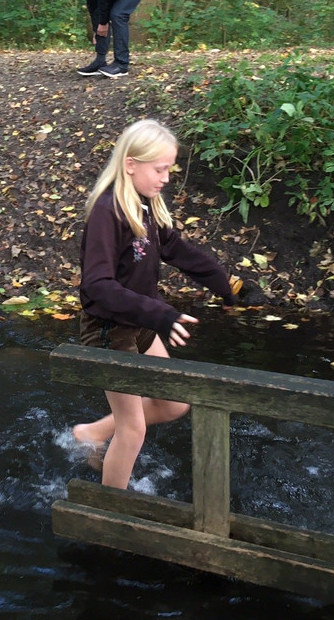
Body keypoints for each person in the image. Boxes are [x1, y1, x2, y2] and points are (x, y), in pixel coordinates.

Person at [71, 119, 237, 489]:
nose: (165, 178)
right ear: (131, 163)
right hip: (109, 330)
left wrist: (222, 284)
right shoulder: (107, 211)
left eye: (169, 169)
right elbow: (97, 284)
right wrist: (161, 313)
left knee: (174, 402)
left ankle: (91, 434)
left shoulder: (146, 205)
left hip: (140, 321)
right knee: (133, 430)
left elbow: (176, 249)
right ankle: (113, 513)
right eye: (159, 169)